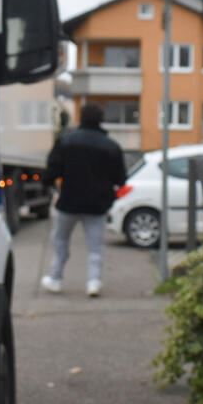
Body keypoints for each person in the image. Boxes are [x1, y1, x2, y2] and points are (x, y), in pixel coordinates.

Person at [41, 104, 127, 297]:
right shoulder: (111, 146)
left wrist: (51, 184)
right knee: (95, 247)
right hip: (97, 205)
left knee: (60, 240)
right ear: (100, 119)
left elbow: (52, 169)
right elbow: (120, 178)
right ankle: (93, 282)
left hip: (68, 201)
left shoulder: (66, 141)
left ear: (81, 118)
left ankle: (55, 278)